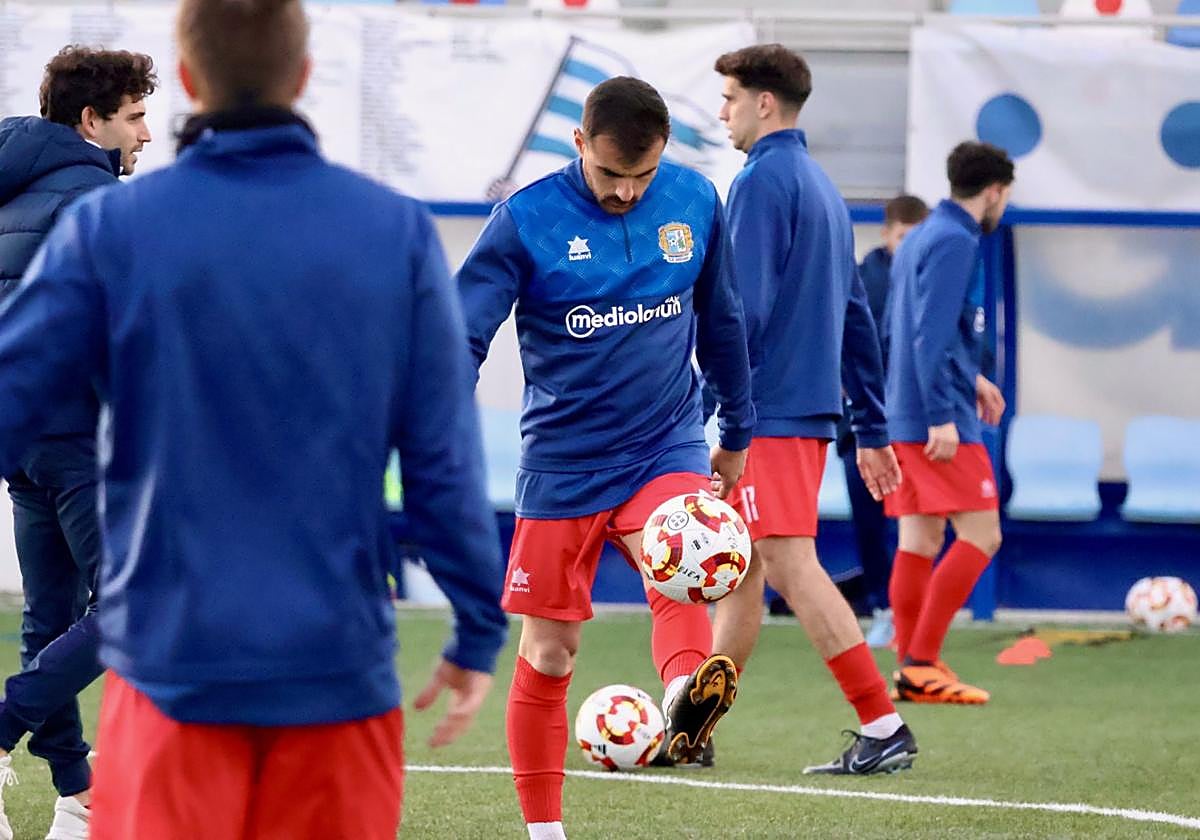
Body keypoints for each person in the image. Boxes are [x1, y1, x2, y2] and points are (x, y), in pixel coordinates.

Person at [0, 1, 508, 837]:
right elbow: (440, 458)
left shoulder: (112, 227)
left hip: (169, 673)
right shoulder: (396, 232)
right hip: (338, 672)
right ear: (303, 78)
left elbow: (12, 397)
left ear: (191, 83)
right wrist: (477, 626)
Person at [457, 76, 755, 839]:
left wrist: (736, 433)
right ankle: (544, 831)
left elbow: (720, 321)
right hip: (562, 462)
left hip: (667, 438)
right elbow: (459, 338)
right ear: (579, 144)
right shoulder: (523, 221)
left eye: (642, 175)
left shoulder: (693, 201)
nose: (627, 192)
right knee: (551, 654)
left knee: (685, 557)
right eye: (612, 174)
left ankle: (687, 694)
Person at [708, 44, 918, 776]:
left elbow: (743, 312)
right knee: (743, 570)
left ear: (766, 103)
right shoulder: (823, 187)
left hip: (769, 413)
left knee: (790, 563)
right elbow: (858, 317)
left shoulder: (761, 182)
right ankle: (694, 729)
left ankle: (884, 725)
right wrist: (874, 428)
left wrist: (711, 404)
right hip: (799, 414)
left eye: (731, 96)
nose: (722, 110)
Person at [0, 45, 156, 840]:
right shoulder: (97, 202)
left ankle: (73, 796)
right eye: (133, 117)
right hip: (81, 437)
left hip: (19, 436)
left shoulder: (12, 190)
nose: (147, 134)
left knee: (50, 616)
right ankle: (1, 728)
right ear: (91, 121)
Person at [885, 140, 1013, 705]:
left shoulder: (922, 236)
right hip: (935, 418)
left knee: (920, 536)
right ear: (994, 191)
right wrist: (942, 412)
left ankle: (910, 661)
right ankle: (921, 661)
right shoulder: (956, 240)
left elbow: (914, 328)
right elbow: (926, 335)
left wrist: (972, 379)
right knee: (983, 534)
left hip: (906, 411)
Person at [835, 195, 929, 649]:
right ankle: (883, 608)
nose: (912, 246)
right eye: (905, 237)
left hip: (911, 426)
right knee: (869, 522)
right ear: (888, 234)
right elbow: (838, 340)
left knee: (913, 522)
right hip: (861, 426)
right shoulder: (859, 279)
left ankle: (914, 615)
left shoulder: (930, 280)